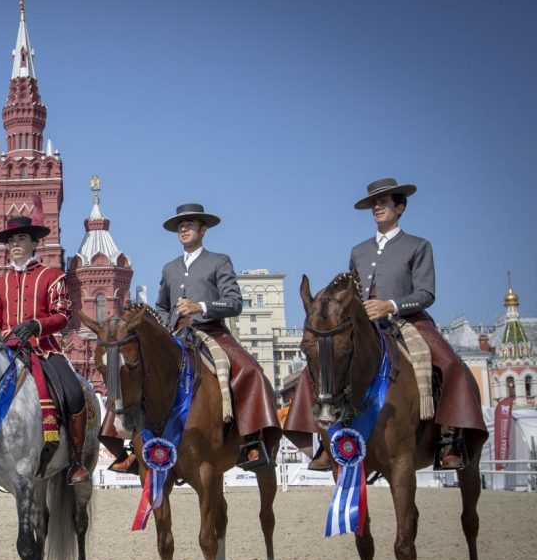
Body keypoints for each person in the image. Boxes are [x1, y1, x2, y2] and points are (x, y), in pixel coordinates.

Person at [290, 178, 487, 471]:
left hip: (408, 321)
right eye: (374, 204)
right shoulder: (359, 250)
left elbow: (426, 293)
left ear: (400, 207)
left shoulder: (418, 246)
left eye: (383, 202)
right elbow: (351, 293)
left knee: (451, 365)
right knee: (321, 360)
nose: (377, 207)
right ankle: (324, 440)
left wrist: (390, 305)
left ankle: (450, 438)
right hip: (365, 325)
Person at [154, 203, 282, 470]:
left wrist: (200, 306)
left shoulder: (219, 261)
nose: (184, 229)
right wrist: (167, 325)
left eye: (190, 224)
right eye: (181, 225)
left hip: (211, 330)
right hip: (177, 334)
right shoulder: (169, 268)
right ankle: (131, 445)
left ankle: (251, 441)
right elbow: (161, 306)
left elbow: (235, 302)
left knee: (251, 371)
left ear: (203, 229)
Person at [0, 194, 91, 483]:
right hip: (6, 352)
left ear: (33, 242)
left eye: (20, 239)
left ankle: (76, 461)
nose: (14, 245)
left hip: (44, 350)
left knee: (73, 392)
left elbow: (63, 315)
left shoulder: (52, 275)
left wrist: (36, 326)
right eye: (11, 241)